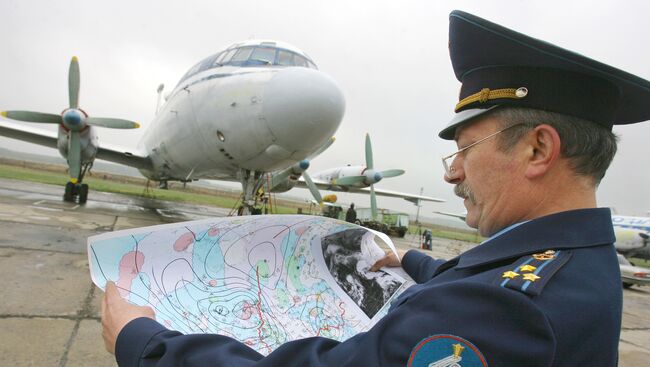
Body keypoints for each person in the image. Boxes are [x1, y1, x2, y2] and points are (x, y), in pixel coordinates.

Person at [101, 11, 650, 366]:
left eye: (464, 150)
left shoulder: (506, 311)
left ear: (537, 149)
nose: (451, 174)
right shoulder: (578, 262)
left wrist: (148, 344)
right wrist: (412, 260)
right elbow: (487, 282)